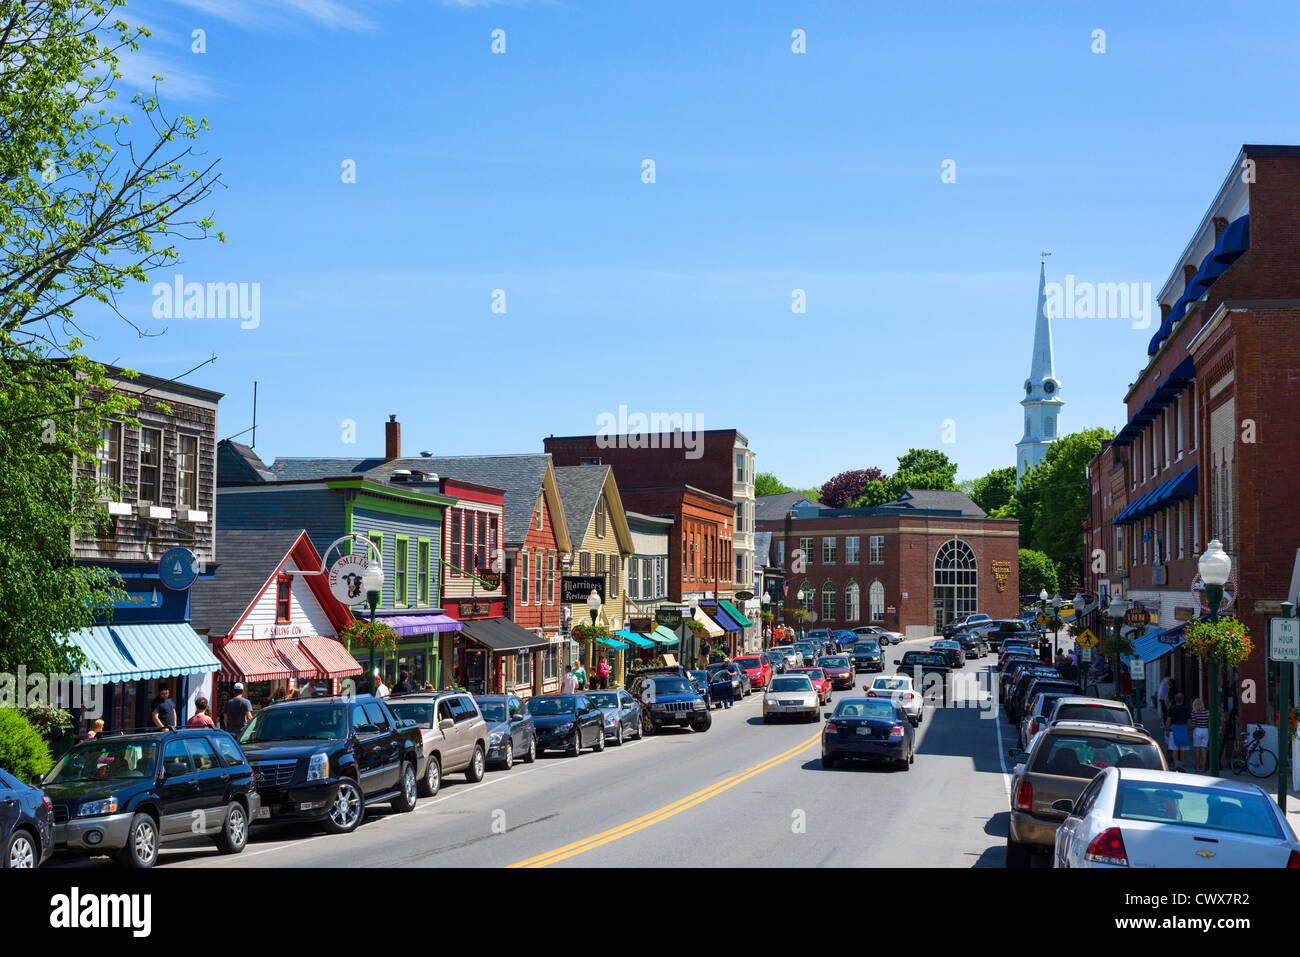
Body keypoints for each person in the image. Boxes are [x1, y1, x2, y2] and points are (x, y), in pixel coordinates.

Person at [1166, 692, 1191, 772]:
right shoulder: (1186, 709)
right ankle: (1181, 765)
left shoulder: (1172, 709)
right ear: (1182, 700)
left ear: (1175, 700)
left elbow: (1168, 721)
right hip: (1183, 729)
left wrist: (1167, 730)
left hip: (1174, 730)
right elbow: (1189, 721)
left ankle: (1176, 765)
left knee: (1174, 749)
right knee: (1183, 749)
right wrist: (1189, 730)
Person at [1189, 697, 1210, 772]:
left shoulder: (1194, 713)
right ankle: (1203, 767)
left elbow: (1193, 724)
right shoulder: (1207, 713)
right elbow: (1208, 723)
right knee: (1204, 749)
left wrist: (1191, 731)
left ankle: (1197, 767)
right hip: (1205, 730)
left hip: (1197, 730)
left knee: (1197, 750)